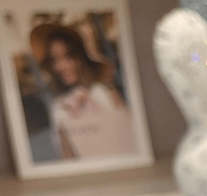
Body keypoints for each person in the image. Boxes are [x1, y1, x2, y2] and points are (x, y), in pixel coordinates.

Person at [30, 22, 137, 160]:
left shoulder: (105, 92)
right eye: (54, 60)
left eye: (69, 57)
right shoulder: (59, 108)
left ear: (82, 56)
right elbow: (68, 158)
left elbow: (131, 132)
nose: (61, 66)